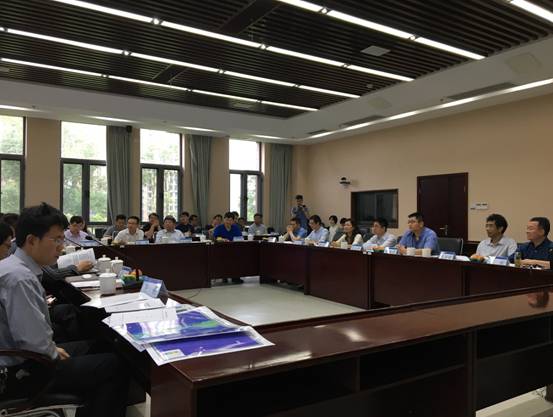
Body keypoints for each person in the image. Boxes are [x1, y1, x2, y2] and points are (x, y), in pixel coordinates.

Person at [0, 202, 130, 417]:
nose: (61, 247)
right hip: (18, 371)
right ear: (32, 240)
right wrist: (51, 350)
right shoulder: (19, 278)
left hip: (25, 354)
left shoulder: (14, 267)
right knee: (114, 366)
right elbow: (33, 343)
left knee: (99, 345)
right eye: (57, 239)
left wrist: (49, 347)